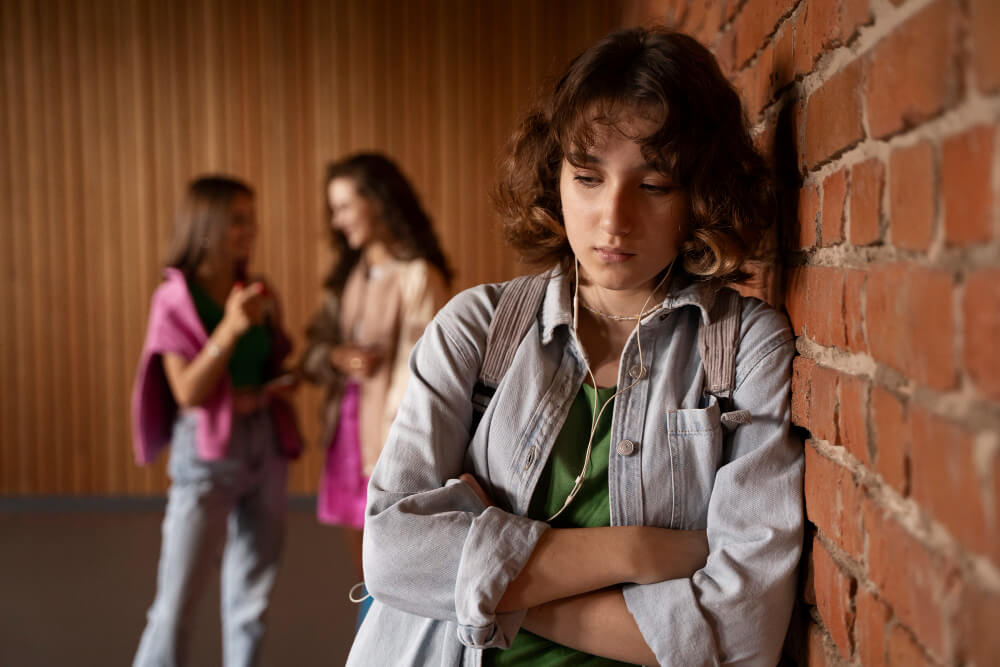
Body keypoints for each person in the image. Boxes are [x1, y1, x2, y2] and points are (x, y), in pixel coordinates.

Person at [347, 27, 803, 667]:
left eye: (654, 185)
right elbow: (393, 557)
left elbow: (741, 634)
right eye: (588, 177)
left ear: (701, 195)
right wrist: (638, 552)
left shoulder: (744, 347)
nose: (613, 220)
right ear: (554, 178)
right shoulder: (478, 328)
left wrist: (482, 587)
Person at [131, 176, 302, 667]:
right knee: (175, 606)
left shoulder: (257, 291)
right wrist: (229, 328)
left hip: (263, 443)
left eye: (252, 219)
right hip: (206, 452)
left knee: (251, 604)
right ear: (206, 225)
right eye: (237, 220)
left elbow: (269, 364)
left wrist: (281, 380)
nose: (251, 230)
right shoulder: (173, 299)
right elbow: (187, 392)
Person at [299, 153, 452, 589]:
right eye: (334, 209)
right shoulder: (349, 276)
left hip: (391, 431)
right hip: (348, 425)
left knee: (390, 557)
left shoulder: (419, 276)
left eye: (345, 206)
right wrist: (338, 357)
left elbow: (424, 372)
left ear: (379, 202)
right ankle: (364, 618)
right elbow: (314, 350)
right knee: (360, 558)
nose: (337, 220)